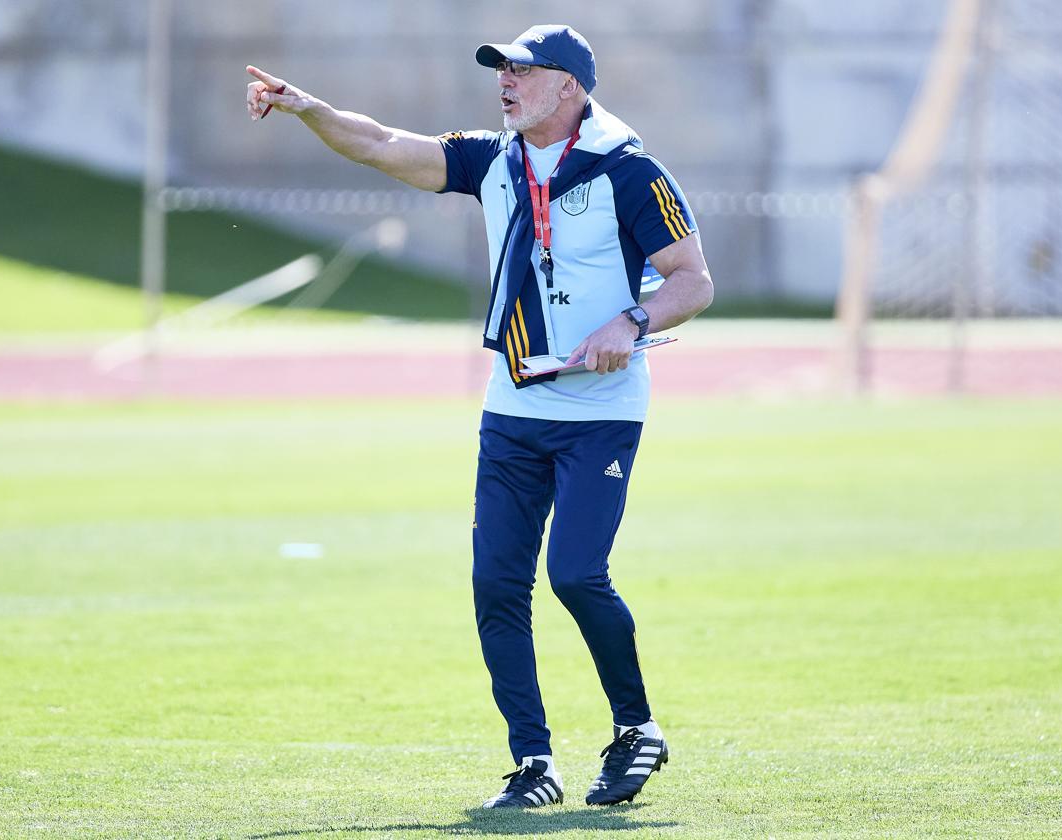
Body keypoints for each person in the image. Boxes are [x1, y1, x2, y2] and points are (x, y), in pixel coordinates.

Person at [246, 24, 712, 809]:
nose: (504, 81)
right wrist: (308, 109)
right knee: (496, 583)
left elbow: (692, 280)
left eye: (523, 71)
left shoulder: (629, 170)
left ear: (570, 87)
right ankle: (533, 763)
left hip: (601, 413)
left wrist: (629, 322)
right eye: (501, 69)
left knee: (574, 574)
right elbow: (383, 144)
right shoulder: (492, 155)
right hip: (512, 407)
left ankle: (637, 729)